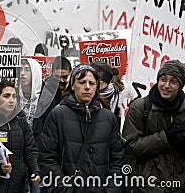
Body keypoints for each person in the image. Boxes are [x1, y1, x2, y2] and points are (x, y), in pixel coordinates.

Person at [38, 64, 124, 192]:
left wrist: (111, 190)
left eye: (92, 83)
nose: (87, 87)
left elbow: (117, 159)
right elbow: (47, 158)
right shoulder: (58, 115)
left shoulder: (108, 118)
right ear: (73, 85)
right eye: (82, 82)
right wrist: (64, 189)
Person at [122, 60, 185, 192]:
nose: (166, 85)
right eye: (163, 79)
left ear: (180, 85)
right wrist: (165, 139)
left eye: (173, 82)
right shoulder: (140, 107)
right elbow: (129, 147)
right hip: (147, 186)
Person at [33, 56, 72, 144]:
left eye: (65, 77)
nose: (61, 80)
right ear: (52, 73)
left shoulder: (75, 91)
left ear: (70, 73)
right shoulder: (44, 92)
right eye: (58, 76)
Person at [19, 58, 43, 193]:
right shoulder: (13, 97)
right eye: (20, 69)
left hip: (38, 159)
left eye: (27, 70)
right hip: (18, 157)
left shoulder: (45, 98)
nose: (22, 73)